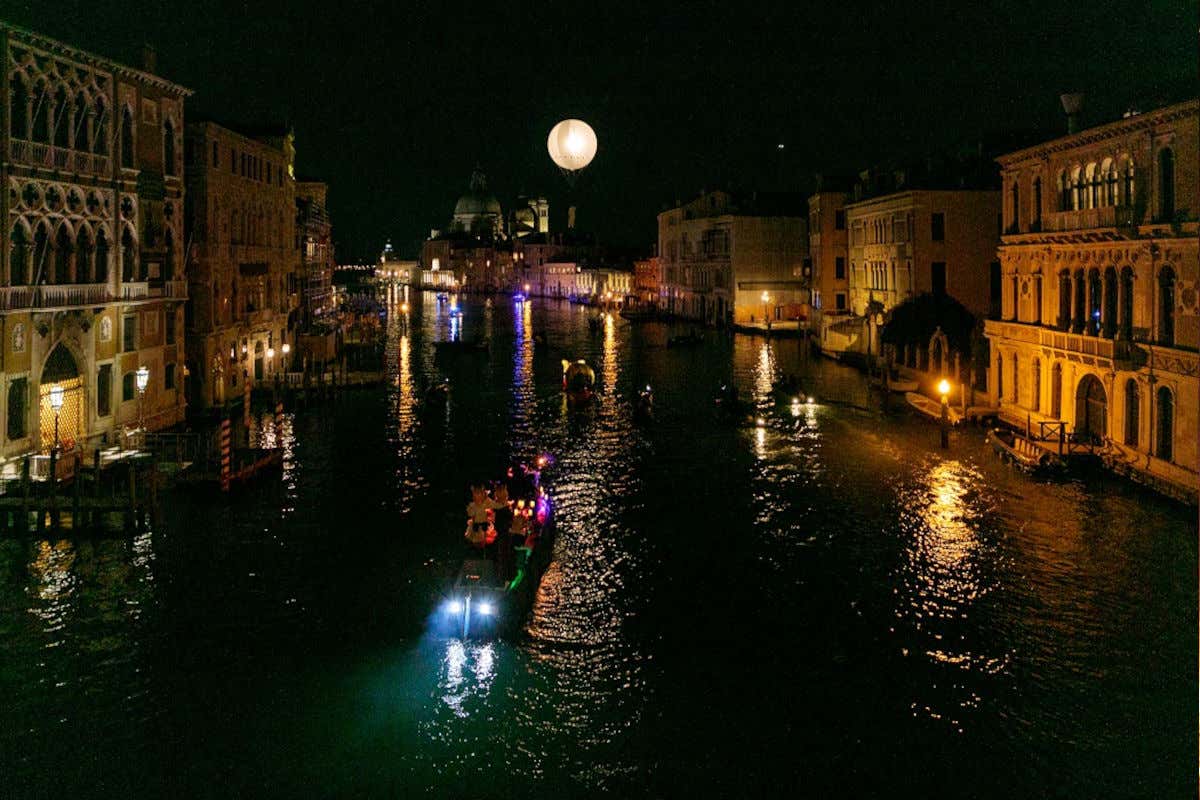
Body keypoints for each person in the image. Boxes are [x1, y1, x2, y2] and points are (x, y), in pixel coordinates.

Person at [492, 482, 515, 581]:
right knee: (503, 554)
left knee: (504, 554)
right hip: (503, 531)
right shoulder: (500, 507)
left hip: (503, 531)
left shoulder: (501, 506)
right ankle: (503, 576)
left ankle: (504, 576)